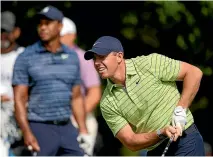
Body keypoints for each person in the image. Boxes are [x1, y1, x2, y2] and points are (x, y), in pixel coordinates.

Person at [84, 36, 205, 156]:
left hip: (186, 139)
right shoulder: (107, 102)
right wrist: (161, 133)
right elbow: (130, 141)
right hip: (155, 151)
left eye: (101, 57)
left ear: (119, 56)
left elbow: (194, 73)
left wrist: (181, 109)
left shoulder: (150, 63)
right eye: (94, 59)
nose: (96, 63)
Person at [12, 6, 89, 156]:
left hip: (67, 127)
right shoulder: (26, 56)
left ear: (60, 26)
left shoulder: (72, 57)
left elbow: (77, 97)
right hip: (40, 128)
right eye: (40, 24)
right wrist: (27, 132)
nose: (43, 28)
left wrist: (83, 129)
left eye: (48, 23)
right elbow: (19, 99)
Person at [60, 17, 102, 155]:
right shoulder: (45, 57)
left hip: (80, 121)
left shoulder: (82, 58)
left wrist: (75, 117)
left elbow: (94, 93)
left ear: (72, 36)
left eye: (61, 35)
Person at [1, 11, 25, 156]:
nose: (2, 36)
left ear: (16, 32)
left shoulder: (23, 56)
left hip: (15, 120)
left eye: (6, 32)